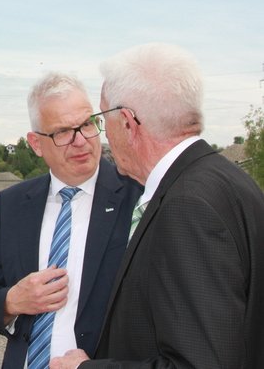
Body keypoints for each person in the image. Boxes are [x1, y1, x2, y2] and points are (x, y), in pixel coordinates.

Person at [51, 43, 264, 369]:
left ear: (126, 122)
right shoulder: (230, 181)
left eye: (102, 118)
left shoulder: (186, 207)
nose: (103, 133)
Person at [0, 72, 143, 369]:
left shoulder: (137, 199)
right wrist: (13, 301)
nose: (81, 141)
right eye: (63, 132)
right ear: (36, 144)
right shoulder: (11, 205)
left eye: (87, 124)